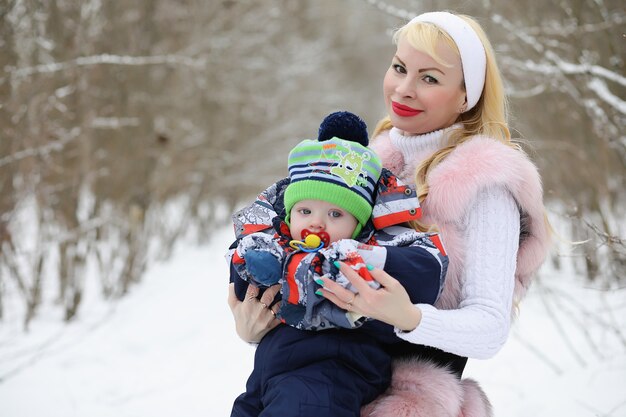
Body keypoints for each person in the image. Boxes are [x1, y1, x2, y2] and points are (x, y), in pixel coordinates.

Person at [227, 11, 551, 417]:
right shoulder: (362, 167)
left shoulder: (483, 185)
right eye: (400, 68)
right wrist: (254, 324)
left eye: (429, 78)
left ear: (467, 95)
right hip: (302, 382)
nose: (404, 89)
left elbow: (489, 329)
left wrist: (410, 317)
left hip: (407, 402)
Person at [226, 111, 449, 416]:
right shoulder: (279, 245)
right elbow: (242, 282)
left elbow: (426, 268)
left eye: (335, 215)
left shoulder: (368, 248)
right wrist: (258, 258)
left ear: (358, 224)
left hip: (332, 370)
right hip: (269, 373)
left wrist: (359, 260)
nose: (316, 223)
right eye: (305, 211)